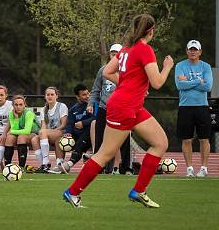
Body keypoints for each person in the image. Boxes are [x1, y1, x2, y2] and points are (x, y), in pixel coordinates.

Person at [62, 14, 174, 208]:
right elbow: (157, 82)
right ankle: (72, 192)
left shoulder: (126, 49)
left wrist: (129, 84)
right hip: (124, 106)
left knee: (161, 142)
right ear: (151, 30)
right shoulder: (145, 50)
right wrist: (167, 67)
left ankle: (138, 191)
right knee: (106, 153)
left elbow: (107, 71)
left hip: (132, 105)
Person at [86, 43, 132, 175]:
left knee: (124, 139)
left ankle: (126, 168)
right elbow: (96, 90)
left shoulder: (127, 70)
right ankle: (98, 167)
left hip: (122, 109)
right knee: (100, 138)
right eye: (112, 53)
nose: (114, 55)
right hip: (104, 108)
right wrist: (90, 103)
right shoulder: (103, 70)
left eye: (117, 53)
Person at [175, 40, 213, 178]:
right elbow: (180, 85)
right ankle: (189, 169)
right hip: (185, 107)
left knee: (204, 139)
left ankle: (204, 168)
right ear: (187, 51)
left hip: (202, 107)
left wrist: (188, 82)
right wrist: (198, 81)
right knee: (186, 139)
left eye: (195, 49)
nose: (193, 52)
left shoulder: (206, 67)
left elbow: (208, 86)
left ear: (200, 52)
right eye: (190, 49)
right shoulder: (180, 66)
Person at [57, 83, 95, 174]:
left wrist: (83, 123)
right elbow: (70, 123)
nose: (87, 96)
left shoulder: (93, 105)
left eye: (88, 93)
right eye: (84, 95)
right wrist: (68, 132)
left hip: (89, 134)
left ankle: (69, 164)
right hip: (77, 133)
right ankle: (59, 163)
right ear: (77, 97)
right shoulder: (73, 110)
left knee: (79, 144)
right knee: (62, 140)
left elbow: (96, 118)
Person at [31, 87, 68, 173]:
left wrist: (49, 132)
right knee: (34, 139)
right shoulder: (44, 109)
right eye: (48, 95)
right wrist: (44, 134)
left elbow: (63, 125)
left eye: (52, 94)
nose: (50, 96)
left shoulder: (61, 106)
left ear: (56, 96)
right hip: (48, 134)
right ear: (45, 96)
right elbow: (43, 127)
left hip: (61, 133)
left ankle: (46, 163)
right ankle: (43, 165)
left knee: (43, 132)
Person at [3, 95, 40, 170]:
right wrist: (16, 118)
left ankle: (21, 167)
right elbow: (15, 129)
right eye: (16, 105)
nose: (18, 107)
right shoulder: (11, 113)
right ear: (13, 105)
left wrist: (11, 131)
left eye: (20, 104)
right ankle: (7, 167)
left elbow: (27, 131)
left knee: (21, 137)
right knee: (9, 138)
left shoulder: (28, 113)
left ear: (24, 105)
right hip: (20, 133)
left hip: (34, 134)